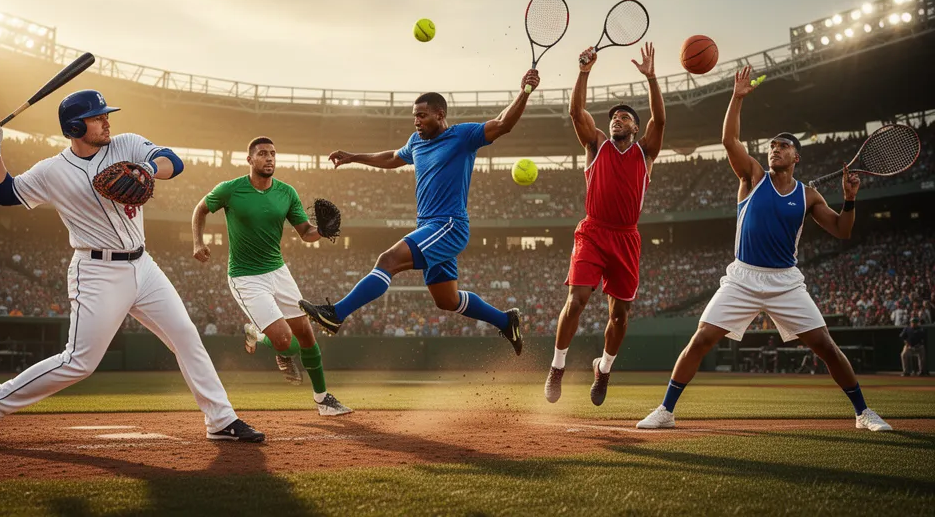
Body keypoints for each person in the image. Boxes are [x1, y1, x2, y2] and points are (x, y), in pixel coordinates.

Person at [0, 89, 263, 443]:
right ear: (76, 126)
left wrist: (149, 168)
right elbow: (6, 193)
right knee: (79, 362)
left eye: (106, 114)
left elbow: (173, 161)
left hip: (143, 265)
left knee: (185, 336)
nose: (107, 120)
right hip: (97, 272)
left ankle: (220, 419)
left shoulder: (126, 144)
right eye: (98, 117)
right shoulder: (53, 170)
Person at [636, 67, 892, 431]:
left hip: (785, 281)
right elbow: (729, 140)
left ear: (796, 157)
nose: (775, 149)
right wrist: (737, 97)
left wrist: (850, 200)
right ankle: (666, 410)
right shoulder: (753, 177)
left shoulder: (808, 195)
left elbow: (841, 230)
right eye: (772, 145)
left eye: (783, 146)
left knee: (826, 348)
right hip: (742, 276)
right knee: (701, 339)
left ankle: (863, 413)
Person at [299, 69, 542, 356]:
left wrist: (524, 91)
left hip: (448, 225)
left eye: (422, 115)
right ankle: (506, 320)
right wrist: (355, 157)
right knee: (447, 300)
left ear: (440, 115)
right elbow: (391, 157)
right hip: (430, 227)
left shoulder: (463, 136)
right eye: (414, 116)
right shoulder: (416, 143)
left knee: (387, 259)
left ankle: (336, 313)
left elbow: (502, 124)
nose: (416, 121)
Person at [192, 137, 352, 416]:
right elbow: (200, 209)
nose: (269, 158)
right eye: (263, 154)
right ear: (250, 160)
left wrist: (322, 232)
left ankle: (323, 400)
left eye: (273, 154)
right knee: (284, 342)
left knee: (306, 335)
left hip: (278, 271)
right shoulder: (230, 189)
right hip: (245, 277)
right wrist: (197, 242)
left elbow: (305, 233)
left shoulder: (286, 192)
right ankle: (255, 332)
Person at [544, 43, 666, 405]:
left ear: (636, 127)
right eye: (615, 116)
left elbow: (661, 120)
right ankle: (557, 367)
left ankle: (604, 369)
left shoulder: (646, 152)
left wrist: (651, 79)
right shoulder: (597, 144)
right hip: (593, 232)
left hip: (627, 238)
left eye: (626, 117)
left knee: (620, 316)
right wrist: (584, 71)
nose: (618, 119)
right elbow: (575, 111)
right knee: (577, 298)